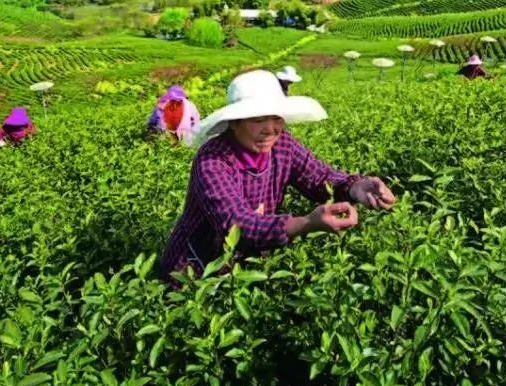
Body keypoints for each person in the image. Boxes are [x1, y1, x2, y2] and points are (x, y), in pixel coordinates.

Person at [160, 70, 396, 285]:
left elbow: (319, 177)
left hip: (244, 269)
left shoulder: (282, 145)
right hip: (193, 273)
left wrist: (356, 187)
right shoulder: (212, 160)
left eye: (276, 118)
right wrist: (306, 224)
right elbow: (236, 225)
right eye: (258, 119)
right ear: (234, 123)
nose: (270, 129)